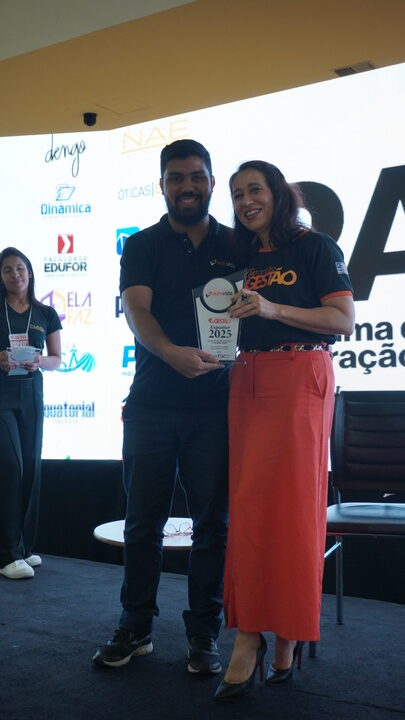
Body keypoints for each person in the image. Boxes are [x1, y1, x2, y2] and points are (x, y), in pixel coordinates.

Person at [93, 139, 240, 674]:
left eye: (197, 176)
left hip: (216, 408)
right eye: (176, 178)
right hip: (152, 404)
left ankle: (204, 634)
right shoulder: (142, 244)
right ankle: (136, 626)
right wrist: (172, 353)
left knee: (212, 526)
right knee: (142, 524)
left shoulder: (237, 243)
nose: (187, 186)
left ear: (211, 182)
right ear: (162, 185)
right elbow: (137, 311)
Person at [214, 161, 355, 700]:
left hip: (300, 375)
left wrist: (273, 308)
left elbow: (342, 321)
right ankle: (253, 630)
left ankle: (281, 635)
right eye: (236, 194)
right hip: (246, 378)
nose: (245, 200)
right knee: (250, 508)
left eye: (254, 189)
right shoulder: (241, 257)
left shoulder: (314, 246)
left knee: (293, 510)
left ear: (277, 194)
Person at [0, 247, 62, 580]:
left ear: (30, 272)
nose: (15, 275)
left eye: (20, 268)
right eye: (8, 270)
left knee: (30, 469)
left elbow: (56, 359)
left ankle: (23, 547)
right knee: (11, 466)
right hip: (2, 394)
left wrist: (39, 362)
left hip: (31, 394)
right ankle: (7, 553)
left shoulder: (45, 312)